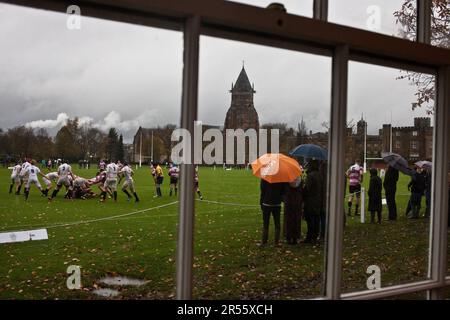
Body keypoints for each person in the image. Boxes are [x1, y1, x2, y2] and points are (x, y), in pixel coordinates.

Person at [260, 179, 287, 246]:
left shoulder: (265, 178)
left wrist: (261, 202)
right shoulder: (281, 179)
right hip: (276, 203)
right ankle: (276, 242)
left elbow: (262, 191)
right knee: (277, 223)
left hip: (267, 202)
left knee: (266, 223)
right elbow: (284, 191)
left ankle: (264, 242)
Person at [303, 160, 323, 244]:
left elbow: (307, 189)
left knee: (310, 219)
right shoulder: (319, 175)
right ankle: (315, 236)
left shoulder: (310, 176)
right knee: (316, 219)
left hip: (310, 200)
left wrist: (303, 189)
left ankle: (310, 237)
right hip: (318, 199)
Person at [283, 177, 303, 245]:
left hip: (289, 201)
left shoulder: (287, 179)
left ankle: (289, 237)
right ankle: (295, 237)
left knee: (289, 219)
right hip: (297, 200)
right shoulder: (299, 179)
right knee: (296, 219)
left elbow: (285, 190)